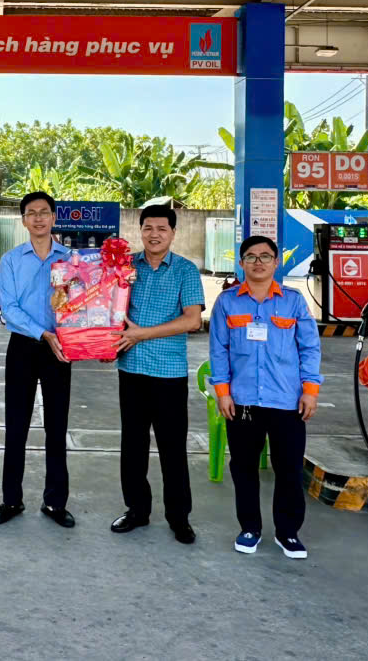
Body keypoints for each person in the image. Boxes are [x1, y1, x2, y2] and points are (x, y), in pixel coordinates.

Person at [209, 235, 323, 560]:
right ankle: (249, 528)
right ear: (241, 263)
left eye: (265, 256)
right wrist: (222, 393)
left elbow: (310, 348)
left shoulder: (293, 301)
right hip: (243, 402)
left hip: (287, 401)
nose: (258, 262)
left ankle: (288, 532)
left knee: (288, 469)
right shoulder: (227, 302)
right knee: (243, 468)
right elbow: (218, 350)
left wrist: (310, 391)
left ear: (276, 262)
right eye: (251, 256)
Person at [110, 204, 205, 544]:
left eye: (162, 228)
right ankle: (137, 510)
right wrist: (105, 344)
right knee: (132, 446)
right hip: (131, 370)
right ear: (140, 230)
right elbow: (110, 310)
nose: (154, 234)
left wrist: (141, 334)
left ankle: (179, 518)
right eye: (148, 228)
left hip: (169, 374)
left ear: (173, 233)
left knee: (172, 448)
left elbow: (192, 320)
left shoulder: (185, 270)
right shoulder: (125, 267)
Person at [0, 191, 75, 529]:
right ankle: (11, 500)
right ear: (24, 220)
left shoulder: (72, 259)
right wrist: (43, 333)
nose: (38, 218)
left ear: (54, 218)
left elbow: (84, 304)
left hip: (61, 349)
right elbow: (9, 309)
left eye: (44, 212)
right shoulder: (11, 260)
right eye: (31, 213)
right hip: (24, 347)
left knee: (57, 427)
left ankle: (55, 502)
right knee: (16, 426)